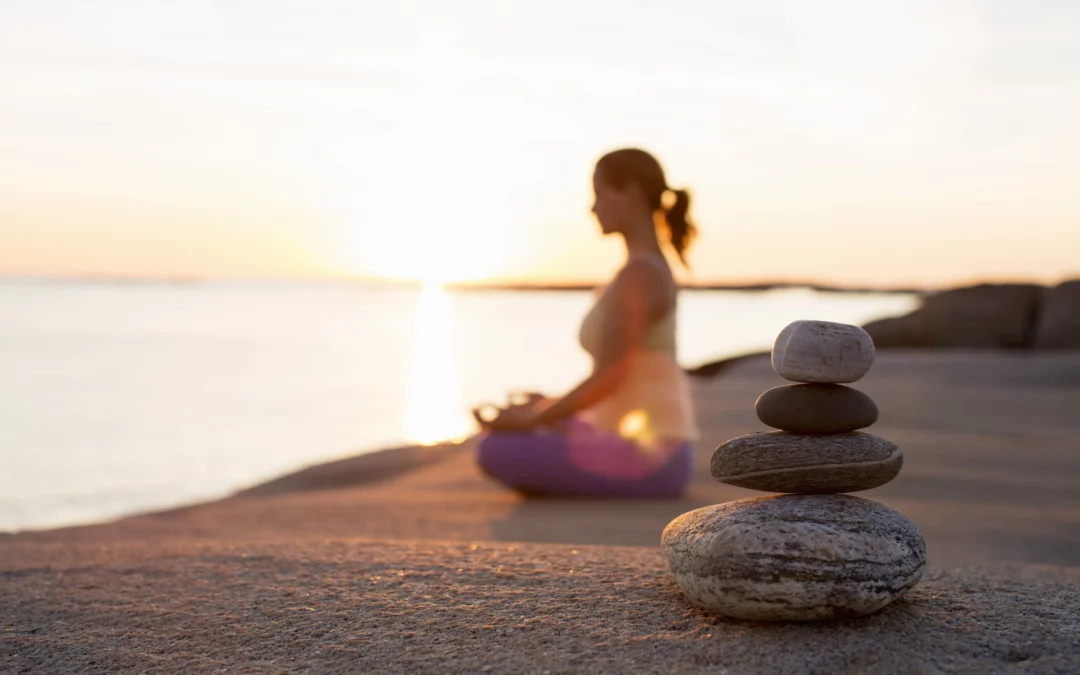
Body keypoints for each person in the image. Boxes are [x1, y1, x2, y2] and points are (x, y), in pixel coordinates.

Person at [472, 148, 700, 498]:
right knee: (516, 435)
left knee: (494, 449)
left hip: (650, 457)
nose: (592, 208)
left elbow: (609, 378)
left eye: (600, 194)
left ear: (633, 192)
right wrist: (545, 405)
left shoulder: (642, 274)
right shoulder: (642, 269)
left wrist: (533, 419)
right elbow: (616, 380)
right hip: (635, 442)